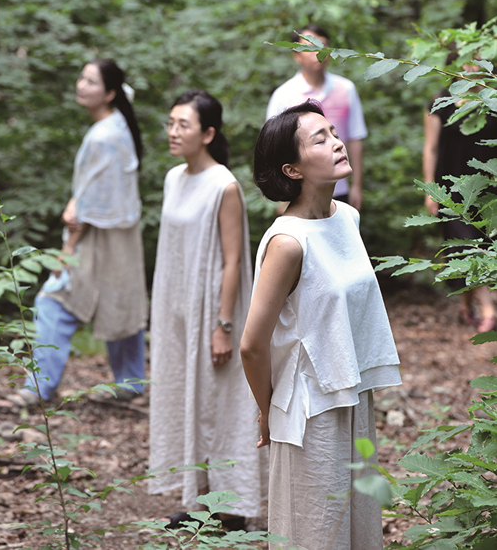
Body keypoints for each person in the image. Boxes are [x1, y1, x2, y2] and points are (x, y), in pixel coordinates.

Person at [241, 100, 401, 550]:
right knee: (316, 531)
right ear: (292, 169)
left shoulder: (347, 218)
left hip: (353, 392)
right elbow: (252, 344)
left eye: (334, 132)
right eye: (321, 138)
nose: (337, 142)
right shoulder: (288, 242)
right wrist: (268, 409)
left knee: (357, 524)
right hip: (310, 408)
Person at [148, 90, 265, 527]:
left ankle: (232, 509)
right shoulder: (173, 178)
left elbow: (233, 259)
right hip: (176, 310)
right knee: (184, 396)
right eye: (171, 122)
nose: (173, 131)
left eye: (184, 124)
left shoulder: (224, 185)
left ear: (209, 133)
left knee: (220, 401)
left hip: (212, 311)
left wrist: (223, 325)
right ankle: (197, 498)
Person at [10, 59, 148, 406]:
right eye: (82, 78)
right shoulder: (115, 125)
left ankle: (39, 387)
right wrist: (76, 203)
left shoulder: (105, 135)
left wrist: (67, 247)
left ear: (110, 93)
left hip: (102, 234)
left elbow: (96, 200)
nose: (81, 85)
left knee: (56, 297)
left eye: (91, 81)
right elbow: (94, 187)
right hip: (116, 231)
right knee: (121, 302)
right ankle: (129, 384)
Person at [423, 59, 497, 333]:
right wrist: (430, 190)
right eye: (464, 64)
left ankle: (466, 305)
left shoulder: (493, 101)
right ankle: (489, 310)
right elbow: (430, 148)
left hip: (489, 188)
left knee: (483, 246)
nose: (470, 70)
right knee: (464, 245)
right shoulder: (439, 103)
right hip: (451, 189)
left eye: (476, 62)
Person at [266, 24, 366, 210]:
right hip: (300, 190)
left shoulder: (346, 89)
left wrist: (357, 186)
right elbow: (273, 149)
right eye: (309, 47)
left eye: (323, 46)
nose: (318, 53)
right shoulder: (283, 95)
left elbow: (355, 139)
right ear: (296, 54)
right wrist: (282, 196)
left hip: (340, 186)